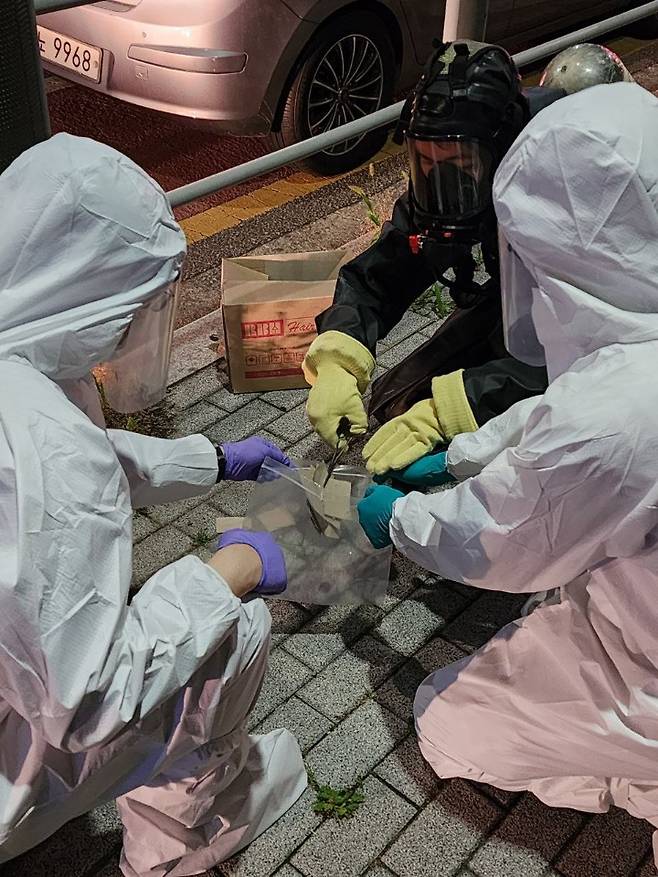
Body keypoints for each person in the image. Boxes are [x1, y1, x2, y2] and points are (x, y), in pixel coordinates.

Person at [358, 81, 658, 861]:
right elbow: (581, 416)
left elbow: (500, 536)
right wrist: (460, 453)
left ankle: (642, 777)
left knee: (446, 721)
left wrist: (399, 515)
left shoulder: (615, 417)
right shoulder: (635, 353)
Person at [0, 133, 306, 877]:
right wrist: (224, 573)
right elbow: (89, 700)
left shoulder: (22, 354)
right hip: (21, 759)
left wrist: (212, 459)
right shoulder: (45, 451)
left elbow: (78, 456)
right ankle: (178, 847)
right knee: (234, 635)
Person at [302, 40, 633, 476]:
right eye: (427, 161)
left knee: (532, 446)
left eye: (459, 163)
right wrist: (338, 358)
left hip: (617, 326)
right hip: (527, 293)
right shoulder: (474, 159)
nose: (443, 182)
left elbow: (591, 347)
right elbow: (385, 270)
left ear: (504, 152)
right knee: (396, 401)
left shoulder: (573, 193)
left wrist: (453, 412)